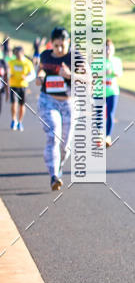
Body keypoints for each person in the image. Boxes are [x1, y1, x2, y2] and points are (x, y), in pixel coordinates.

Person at [37, 27, 78, 190]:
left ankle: (58, 166)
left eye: (63, 45)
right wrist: (39, 76)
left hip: (69, 103)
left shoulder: (74, 57)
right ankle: (53, 175)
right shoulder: (45, 56)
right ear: (51, 44)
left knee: (65, 146)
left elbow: (89, 78)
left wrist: (70, 75)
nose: (60, 49)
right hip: (48, 101)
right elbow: (40, 69)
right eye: (56, 45)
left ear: (68, 43)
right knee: (53, 135)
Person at [97, 38, 123, 147]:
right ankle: (99, 136)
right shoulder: (98, 61)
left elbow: (119, 74)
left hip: (112, 91)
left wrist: (111, 72)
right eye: (106, 49)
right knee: (99, 114)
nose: (108, 51)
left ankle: (108, 136)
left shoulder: (117, 61)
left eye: (110, 49)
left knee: (110, 114)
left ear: (113, 50)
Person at [8, 46, 35, 130]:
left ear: (22, 53)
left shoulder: (27, 63)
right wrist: (9, 75)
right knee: (13, 104)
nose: (17, 56)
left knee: (21, 105)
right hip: (13, 86)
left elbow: (33, 75)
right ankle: (13, 120)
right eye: (15, 54)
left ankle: (20, 122)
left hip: (23, 86)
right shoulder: (11, 62)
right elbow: (7, 72)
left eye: (18, 54)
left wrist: (26, 78)